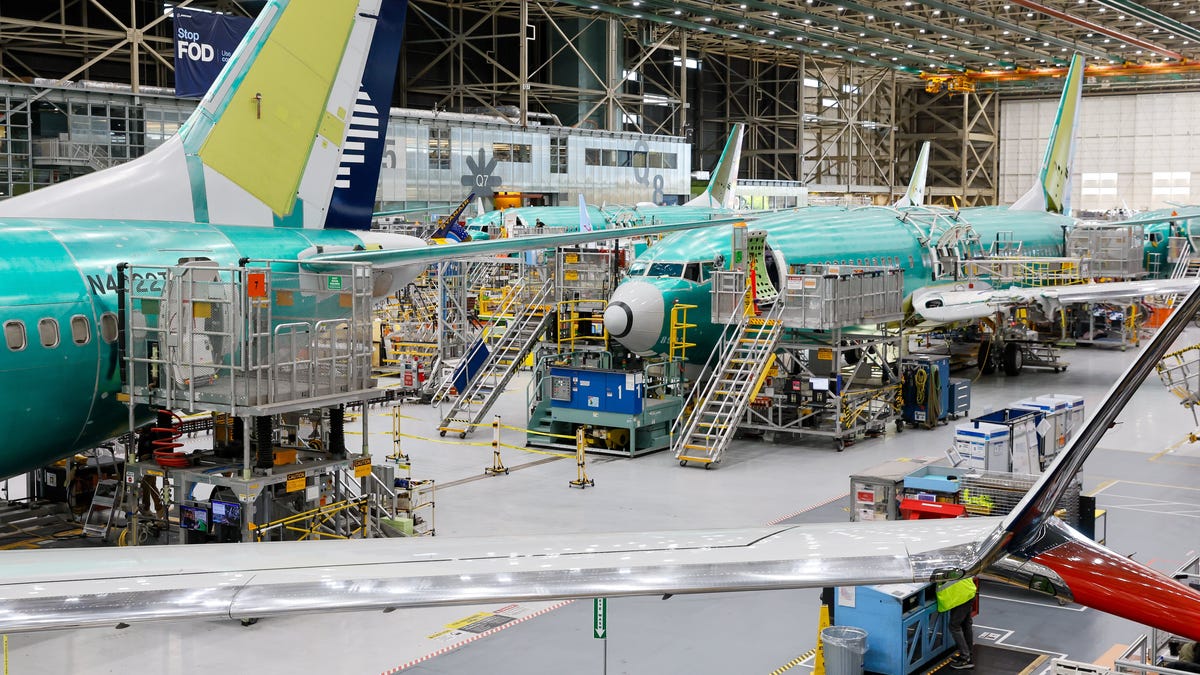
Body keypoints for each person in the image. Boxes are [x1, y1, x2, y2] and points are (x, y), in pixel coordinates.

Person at [937, 576, 978, 670]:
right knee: (966, 624)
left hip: (960, 597)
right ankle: (968, 654)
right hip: (968, 591)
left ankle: (965, 658)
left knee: (954, 626)